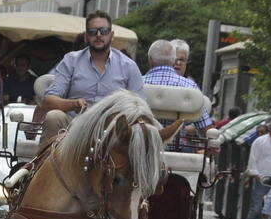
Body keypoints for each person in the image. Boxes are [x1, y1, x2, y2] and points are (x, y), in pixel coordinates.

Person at [40, 10, 144, 148]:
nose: (99, 35)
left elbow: (139, 107)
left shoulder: (128, 66)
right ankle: (45, 161)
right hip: (74, 125)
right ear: (86, 37)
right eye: (93, 31)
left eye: (104, 31)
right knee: (53, 117)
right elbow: (48, 100)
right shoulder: (71, 60)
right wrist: (73, 104)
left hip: (111, 130)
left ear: (111, 35)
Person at [143, 39, 213, 145]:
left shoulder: (138, 83)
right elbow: (206, 129)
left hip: (144, 147)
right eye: (177, 59)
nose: (178, 63)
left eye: (182, 60)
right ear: (172, 60)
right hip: (177, 148)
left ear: (150, 60)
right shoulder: (190, 87)